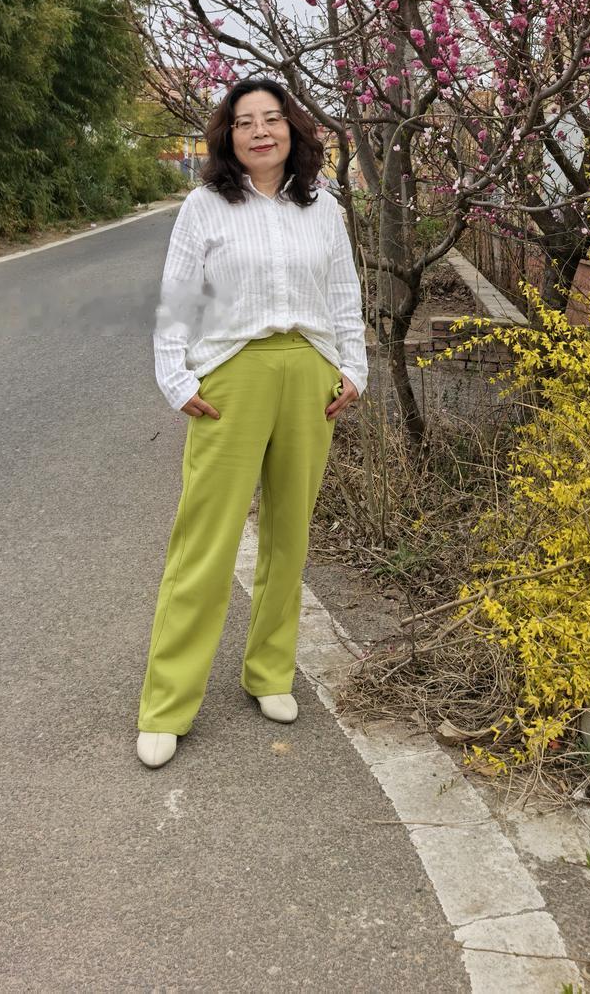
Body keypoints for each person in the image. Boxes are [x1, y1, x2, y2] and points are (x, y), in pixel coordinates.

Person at [135, 77, 368, 769]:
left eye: (272, 119)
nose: (260, 131)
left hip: (310, 372)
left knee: (290, 535)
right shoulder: (205, 207)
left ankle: (269, 672)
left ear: (293, 130)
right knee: (203, 541)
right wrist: (176, 379)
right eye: (245, 122)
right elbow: (179, 299)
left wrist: (354, 367)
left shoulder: (322, 206)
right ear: (227, 137)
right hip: (231, 375)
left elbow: (343, 291)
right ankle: (167, 703)